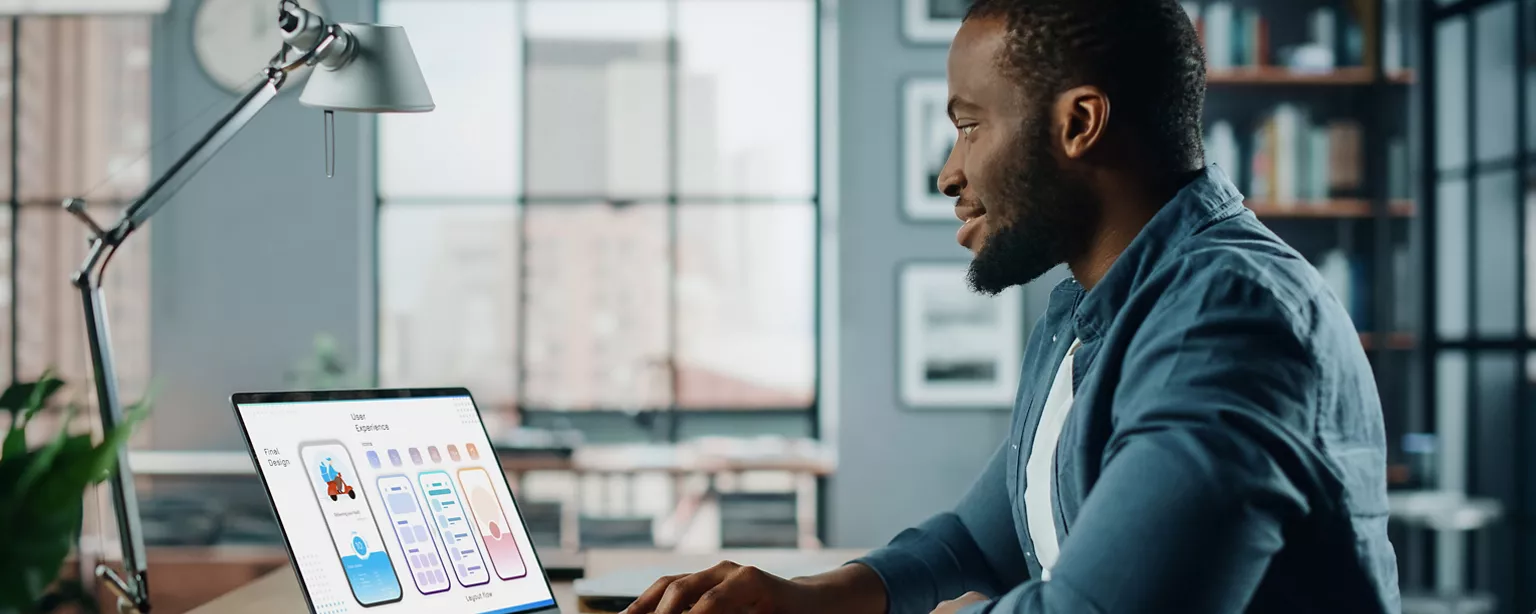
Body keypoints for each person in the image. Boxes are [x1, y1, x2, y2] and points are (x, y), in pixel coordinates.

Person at [621, 0, 1400, 611]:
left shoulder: (1229, 318)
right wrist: (811, 597)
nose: (949, 174)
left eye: (967, 127)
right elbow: (976, 537)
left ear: (1079, 124)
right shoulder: (1088, 308)